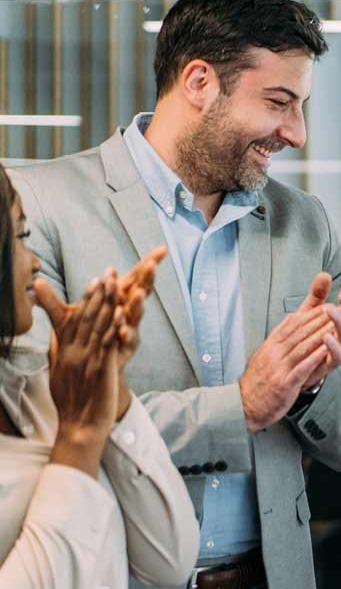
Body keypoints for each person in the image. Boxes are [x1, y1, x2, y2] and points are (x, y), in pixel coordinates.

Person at [9, 0, 341, 588]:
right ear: (200, 83)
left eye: (301, 106)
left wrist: (311, 387)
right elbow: (43, 426)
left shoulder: (304, 225)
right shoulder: (41, 205)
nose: (297, 133)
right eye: (279, 102)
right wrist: (242, 406)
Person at [0, 169, 199, 587]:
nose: (34, 261)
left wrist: (110, 386)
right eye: (19, 237)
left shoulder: (39, 383)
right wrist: (79, 438)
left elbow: (170, 561)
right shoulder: (70, 416)